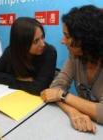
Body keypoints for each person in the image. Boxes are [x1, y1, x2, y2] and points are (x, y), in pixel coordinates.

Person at [41, 5, 103, 133]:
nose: (63, 41)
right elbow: (55, 88)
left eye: (67, 36)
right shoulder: (75, 56)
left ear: (86, 39)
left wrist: (63, 96)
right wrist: (73, 111)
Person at [0, 17, 57, 95]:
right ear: (22, 43)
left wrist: (13, 83)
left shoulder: (49, 52)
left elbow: (39, 88)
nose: (42, 44)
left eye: (42, 37)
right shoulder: (11, 51)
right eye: (36, 41)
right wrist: (16, 79)